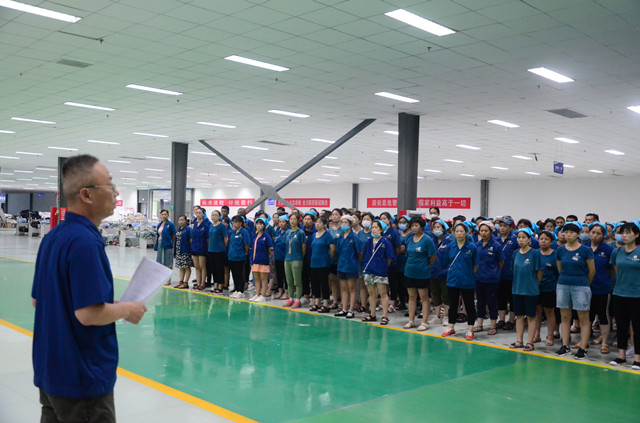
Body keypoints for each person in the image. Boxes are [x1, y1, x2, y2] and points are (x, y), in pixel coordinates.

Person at [31, 155, 147, 423]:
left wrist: (108, 305)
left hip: (51, 372)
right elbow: (87, 314)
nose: (116, 192)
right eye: (110, 185)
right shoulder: (85, 241)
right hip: (81, 380)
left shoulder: (54, 237)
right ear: (86, 194)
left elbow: (39, 300)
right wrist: (127, 309)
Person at [555, 222, 595, 359]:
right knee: (565, 317)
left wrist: (585, 283)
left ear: (578, 234)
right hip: (563, 284)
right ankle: (565, 345)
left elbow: (592, 271)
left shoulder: (585, 250)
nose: (568, 235)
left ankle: (583, 348)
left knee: (584, 318)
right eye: (566, 232)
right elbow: (560, 268)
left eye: (571, 232)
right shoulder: (560, 250)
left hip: (581, 285)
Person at [609, 222, 640, 369]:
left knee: (637, 327)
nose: (624, 235)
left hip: (637, 294)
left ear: (637, 235)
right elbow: (616, 269)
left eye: (628, 232)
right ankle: (621, 356)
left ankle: (637, 358)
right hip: (619, 293)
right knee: (621, 325)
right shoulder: (617, 252)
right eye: (622, 233)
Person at [442, 222, 478, 340]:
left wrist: (467, 273)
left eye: (461, 231)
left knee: (469, 305)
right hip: (453, 280)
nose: (459, 233)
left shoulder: (472, 247)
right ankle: (451, 327)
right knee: (453, 305)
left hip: (467, 280)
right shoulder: (450, 247)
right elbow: (447, 262)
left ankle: (470, 329)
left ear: (466, 233)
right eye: (457, 231)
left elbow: (475, 265)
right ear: (454, 233)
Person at [509, 228, 543, 351]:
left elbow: (539, 272)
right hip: (517, 289)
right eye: (519, 237)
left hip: (531, 291)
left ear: (529, 239)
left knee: (531, 317)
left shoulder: (535, 253)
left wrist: (533, 284)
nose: (521, 240)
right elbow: (513, 270)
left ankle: (530, 342)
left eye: (524, 237)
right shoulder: (515, 253)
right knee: (519, 316)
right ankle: (519, 341)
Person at [402, 216, 436, 331]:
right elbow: (407, 255)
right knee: (411, 297)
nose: (414, 228)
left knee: (424, 297)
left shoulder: (427, 240)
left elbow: (433, 257)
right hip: (409, 272)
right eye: (412, 226)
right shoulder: (409, 240)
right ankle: (411, 321)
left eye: (416, 225)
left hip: (422, 273)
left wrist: (424, 265)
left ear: (422, 227)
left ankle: (424, 322)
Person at [586, 222, 613, 354]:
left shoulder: (607, 249)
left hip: (602, 287)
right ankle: (584, 341)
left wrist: (603, 278)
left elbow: (612, 269)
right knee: (587, 315)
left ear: (603, 235)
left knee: (603, 314)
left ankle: (604, 342)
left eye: (598, 233)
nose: (595, 235)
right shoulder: (584, 247)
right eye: (593, 232)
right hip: (585, 287)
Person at [474, 221, 504, 335]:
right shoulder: (477, 245)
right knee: (480, 302)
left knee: (492, 302)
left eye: (486, 231)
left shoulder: (496, 245)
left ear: (491, 231)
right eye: (481, 230)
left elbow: (501, 262)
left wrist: (493, 271)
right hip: (479, 278)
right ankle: (479, 324)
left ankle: (493, 326)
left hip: (492, 279)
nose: (483, 233)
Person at [361, 220, 394, 325]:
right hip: (369, 270)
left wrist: (383, 267)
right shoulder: (369, 241)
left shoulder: (385, 242)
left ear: (381, 229)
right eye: (373, 227)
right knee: (371, 293)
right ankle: (372, 314)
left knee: (383, 293)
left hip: (380, 271)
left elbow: (389, 258)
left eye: (376, 227)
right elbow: (365, 255)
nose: (374, 229)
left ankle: (384, 316)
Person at [335, 215, 363, 318]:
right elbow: (338, 251)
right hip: (341, 265)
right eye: (342, 222)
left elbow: (359, 253)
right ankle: (344, 309)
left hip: (351, 266)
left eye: (345, 223)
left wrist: (354, 261)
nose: (343, 224)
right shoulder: (341, 236)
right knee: (343, 288)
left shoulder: (354, 237)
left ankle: (351, 310)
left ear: (350, 224)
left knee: (352, 288)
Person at [536, 230, 559, 346]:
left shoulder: (555, 254)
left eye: (546, 239)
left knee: (549, 312)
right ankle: (536, 335)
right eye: (541, 239)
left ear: (551, 242)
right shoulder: (535, 253)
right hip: (536, 288)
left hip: (550, 288)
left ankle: (550, 336)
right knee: (537, 312)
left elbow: (558, 272)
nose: (543, 241)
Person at [495, 216, 518, 330]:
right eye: (501, 226)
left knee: (512, 298)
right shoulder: (496, 239)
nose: (502, 228)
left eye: (505, 226)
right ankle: (501, 319)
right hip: (499, 274)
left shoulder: (515, 239)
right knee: (500, 297)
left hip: (512, 274)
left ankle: (511, 320)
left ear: (510, 227)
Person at [309, 216, 335, 313]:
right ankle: (317, 303)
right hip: (314, 262)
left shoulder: (327, 235)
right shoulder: (314, 235)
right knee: (315, 283)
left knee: (324, 283)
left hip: (323, 263)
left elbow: (332, 248)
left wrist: (328, 257)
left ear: (324, 224)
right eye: (316, 222)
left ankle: (325, 304)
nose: (317, 224)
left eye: (320, 222)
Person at [429, 219, 452, 325]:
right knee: (435, 294)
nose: (436, 229)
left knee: (446, 295)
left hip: (445, 273)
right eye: (434, 227)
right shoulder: (431, 241)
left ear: (443, 229)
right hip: (433, 272)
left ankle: (446, 316)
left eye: (438, 227)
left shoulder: (449, 241)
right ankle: (437, 316)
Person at [283, 213, 306, 308]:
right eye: (291, 219)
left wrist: (300, 257)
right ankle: (291, 298)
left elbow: (303, 247)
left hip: (297, 259)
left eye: (294, 219)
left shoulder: (301, 233)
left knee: (297, 281)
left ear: (298, 221)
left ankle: (298, 299)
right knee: (289, 280)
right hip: (287, 258)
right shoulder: (287, 232)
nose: (292, 221)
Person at [249, 217, 274, 302]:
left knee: (263, 279)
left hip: (263, 261)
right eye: (257, 224)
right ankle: (257, 294)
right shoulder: (254, 236)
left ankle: (263, 295)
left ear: (264, 225)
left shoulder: (266, 236)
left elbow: (270, 248)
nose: (259, 225)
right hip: (255, 260)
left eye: (261, 224)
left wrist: (265, 256)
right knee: (257, 278)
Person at [228, 215, 251, 299]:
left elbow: (246, 244)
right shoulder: (233, 232)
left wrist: (245, 252)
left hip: (239, 257)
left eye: (236, 222)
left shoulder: (244, 232)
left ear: (240, 223)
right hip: (232, 256)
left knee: (239, 274)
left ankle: (241, 291)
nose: (234, 224)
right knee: (234, 274)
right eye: (233, 222)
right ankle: (236, 289)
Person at [208, 210, 228, 294]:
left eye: (216, 215)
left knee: (219, 268)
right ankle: (215, 285)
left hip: (219, 250)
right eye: (212, 215)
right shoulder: (211, 226)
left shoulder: (222, 226)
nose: (214, 217)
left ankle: (220, 285)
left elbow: (225, 238)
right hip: (211, 250)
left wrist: (223, 247)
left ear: (219, 217)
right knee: (213, 269)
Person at [191, 207, 211, 290]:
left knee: (202, 266)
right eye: (197, 213)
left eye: (200, 213)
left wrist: (207, 248)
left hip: (202, 248)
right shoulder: (195, 224)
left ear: (203, 214)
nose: (198, 214)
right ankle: (198, 283)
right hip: (194, 247)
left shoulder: (206, 225)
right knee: (197, 267)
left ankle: (203, 283)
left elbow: (207, 238)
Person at [154, 209, 176, 284]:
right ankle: (162, 278)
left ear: (168, 215)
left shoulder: (170, 224)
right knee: (160, 261)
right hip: (160, 244)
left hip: (168, 245)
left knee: (168, 262)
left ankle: (169, 280)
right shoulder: (159, 225)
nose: (164, 216)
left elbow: (174, 235)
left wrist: (172, 244)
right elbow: (158, 235)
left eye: (165, 214)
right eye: (162, 214)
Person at [174, 215, 194, 289]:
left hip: (186, 251)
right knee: (181, 267)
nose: (181, 221)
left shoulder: (188, 229)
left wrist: (190, 249)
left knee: (186, 266)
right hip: (179, 251)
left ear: (185, 221)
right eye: (180, 220)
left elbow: (191, 239)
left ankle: (186, 282)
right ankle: (181, 281)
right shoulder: (179, 229)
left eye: (182, 220)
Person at [273, 214, 289, 300]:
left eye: (283, 222)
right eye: (280, 222)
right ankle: (280, 292)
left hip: (285, 257)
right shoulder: (278, 232)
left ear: (287, 223)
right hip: (277, 257)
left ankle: (287, 293)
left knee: (286, 276)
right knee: (279, 275)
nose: (281, 223)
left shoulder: (288, 232)